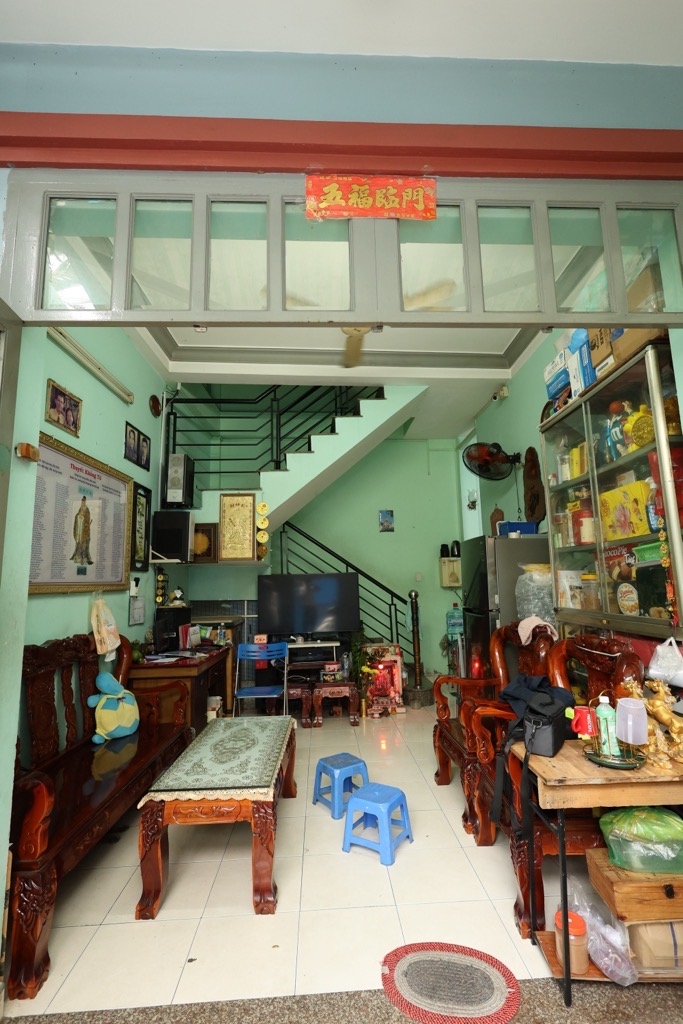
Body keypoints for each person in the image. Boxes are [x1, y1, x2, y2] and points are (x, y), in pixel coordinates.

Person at [70, 495, 93, 566]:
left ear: (85, 502)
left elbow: (87, 519)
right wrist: (78, 515)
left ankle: (84, 558)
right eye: (82, 502)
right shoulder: (80, 508)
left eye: (83, 502)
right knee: (78, 544)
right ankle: (78, 557)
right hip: (79, 529)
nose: (82, 503)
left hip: (84, 531)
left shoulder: (87, 510)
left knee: (84, 544)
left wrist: (82, 517)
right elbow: (77, 515)